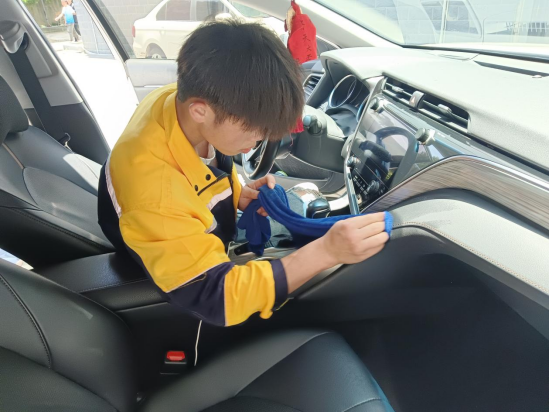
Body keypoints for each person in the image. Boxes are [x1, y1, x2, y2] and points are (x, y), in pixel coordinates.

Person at [98, 20, 390, 328]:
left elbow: (198, 175)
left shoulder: (177, 102)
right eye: (253, 129)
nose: (261, 139)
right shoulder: (155, 192)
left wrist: (236, 194)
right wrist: (326, 251)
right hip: (188, 308)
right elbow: (216, 297)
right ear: (200, 111)